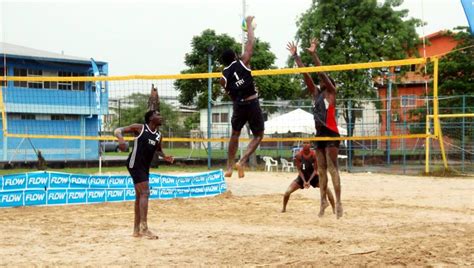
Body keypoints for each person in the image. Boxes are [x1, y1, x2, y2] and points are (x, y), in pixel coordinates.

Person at [287, 39, 343, 219]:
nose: (320, 81)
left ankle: (340, 202)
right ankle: (323, 202)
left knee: (333, 169)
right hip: (319, 134)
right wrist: (296, 57)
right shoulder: (317, 94)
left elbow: (321, 72)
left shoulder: (331, 91)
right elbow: (306, 75)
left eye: (323, 79)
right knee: (322, 171)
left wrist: (313, 54)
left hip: (331, 133)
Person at [114, 110, 174, 239]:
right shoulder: (139, 128)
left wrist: (165, 157)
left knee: (139, 197)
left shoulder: (158, 135)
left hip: (144, 167)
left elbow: (158, 150)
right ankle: (144, 228)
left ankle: (136, 231)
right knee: (145, 192)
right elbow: (118, 130)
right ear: (151, 118)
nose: (161, 116)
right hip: (134, 164)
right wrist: (121, 140)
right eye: (158, 115)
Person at [220, 15, 264, 178]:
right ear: (235, 56)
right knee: (258, 135)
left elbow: (228, 91)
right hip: (252, 102)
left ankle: (230, 167)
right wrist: (249, 25)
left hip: (238, 105)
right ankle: (242, 160)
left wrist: (236, 99)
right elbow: (251, 43)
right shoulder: (244, 61)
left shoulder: (223, 75)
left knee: (235, 134)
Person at [282, 141, 335, 213]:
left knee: (328, 190)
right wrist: (304, 181)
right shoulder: (298, 155)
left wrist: (309, 181)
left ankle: (334, 209)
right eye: (304, 143)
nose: (305, 144)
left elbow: (315, 170)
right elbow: (299, 171)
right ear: (302, 145)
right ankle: (284, 208)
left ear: (310, 145)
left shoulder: (314, 154)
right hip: (302, 177)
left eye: (307, 143)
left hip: (313, 177)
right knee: (287, 192)